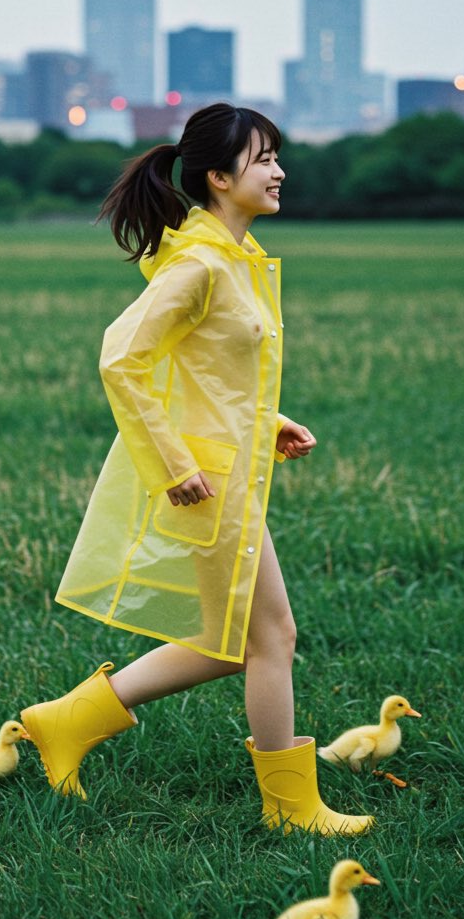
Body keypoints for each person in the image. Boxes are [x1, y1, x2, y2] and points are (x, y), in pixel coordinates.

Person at [20, 103, 372, 836]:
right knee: (269, 638)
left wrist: (267, 422)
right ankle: (291, 810)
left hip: (229, 471)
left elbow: (204, 369)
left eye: (277, 156)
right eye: (263, 158)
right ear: (218, 176)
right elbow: (123, 358)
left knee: (233, 640)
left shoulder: (234, 259)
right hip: (207, 483)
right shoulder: (200, 264)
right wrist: (173, 465)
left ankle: (64, 721)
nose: (279, 171)